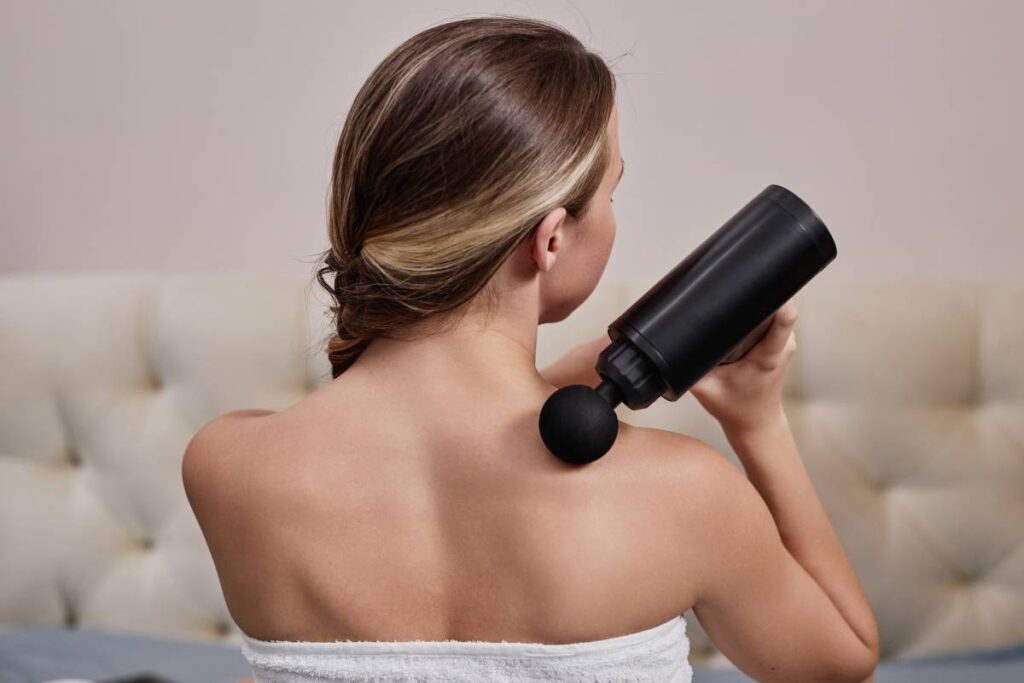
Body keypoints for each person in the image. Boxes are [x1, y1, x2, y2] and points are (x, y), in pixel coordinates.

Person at [183, 14, 879, 683]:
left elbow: (440, 459)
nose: (611, 218)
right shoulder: (684, 494)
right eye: (611, 193)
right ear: (550, 239)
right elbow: (840, 661)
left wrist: (574, 371)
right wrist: (758, 421)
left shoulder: (226, 464)